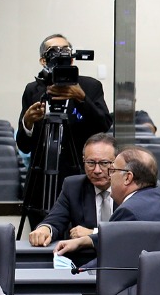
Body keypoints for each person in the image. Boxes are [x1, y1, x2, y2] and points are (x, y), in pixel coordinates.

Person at [17, 34, 113, 226]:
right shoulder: (33, 90)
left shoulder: (90, 86)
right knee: (41, 234)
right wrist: (27, 122)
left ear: (72, 57)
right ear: (43, 60)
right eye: (54, 51)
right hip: (40, 183)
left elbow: (103, 125)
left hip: (78, 176)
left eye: (65, 51)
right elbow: (24, 146)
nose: (61, 55)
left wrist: (82, 98)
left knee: (77, 235)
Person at [51, 144, 160, 260]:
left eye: (113, 171)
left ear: (128, 177)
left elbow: (111, 261)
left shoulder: (128, 211)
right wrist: (84, 241)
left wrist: (76, 271)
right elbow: (121, 237)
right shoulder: (157, 197)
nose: (110, 176)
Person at [27, 133, 116, 248]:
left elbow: (130, 231)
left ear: (117, 162)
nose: (97, 170)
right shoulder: (73, 187)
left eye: (104, 163)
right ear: (83, 161)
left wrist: (93, 233)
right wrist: (45, 229)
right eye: (90, 163)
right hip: (85, 256)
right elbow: (55, 220)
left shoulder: (128, 187)